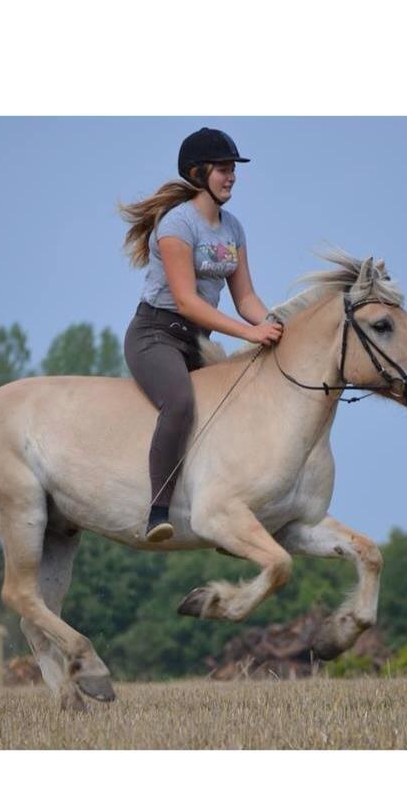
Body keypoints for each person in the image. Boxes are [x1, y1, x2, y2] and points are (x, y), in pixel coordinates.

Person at [120, 127, 283, 542]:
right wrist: (250, 332)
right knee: (179, 403)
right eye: (223, 169)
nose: (231, 177)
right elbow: (189, 302)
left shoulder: (234, 229)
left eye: (233, 170)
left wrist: (276, 325)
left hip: (198, 343)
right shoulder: (176, 225)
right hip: (156, 336)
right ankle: (157, 512)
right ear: (198, 173)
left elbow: (245, 296)